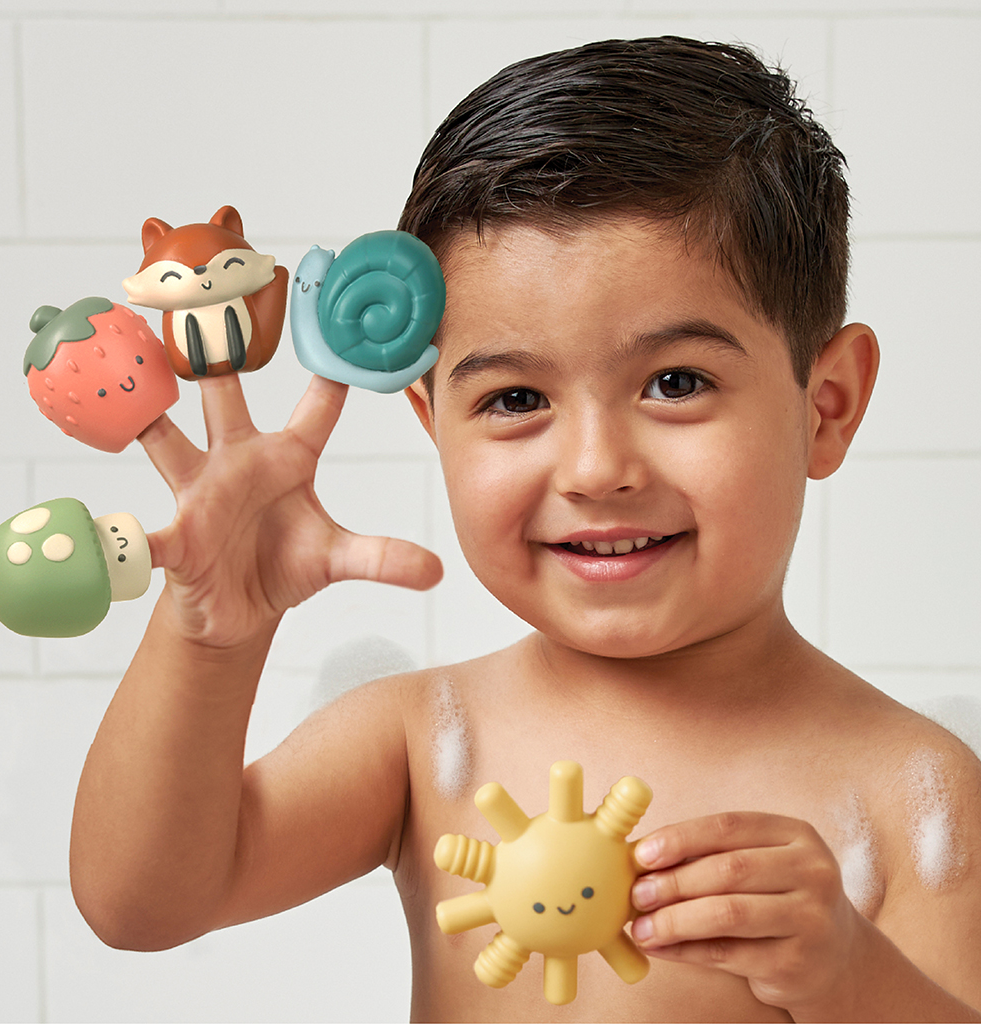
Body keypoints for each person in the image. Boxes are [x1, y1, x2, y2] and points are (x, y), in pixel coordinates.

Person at [69, 36, 981, 1021]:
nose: (594, 470)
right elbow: (142, 901)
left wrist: (851, 977)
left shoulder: (913, 795)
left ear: (826, 404)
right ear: (433, 423)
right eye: (513, 398)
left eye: (675, 383)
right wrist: (211, 633)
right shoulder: (424, 740)